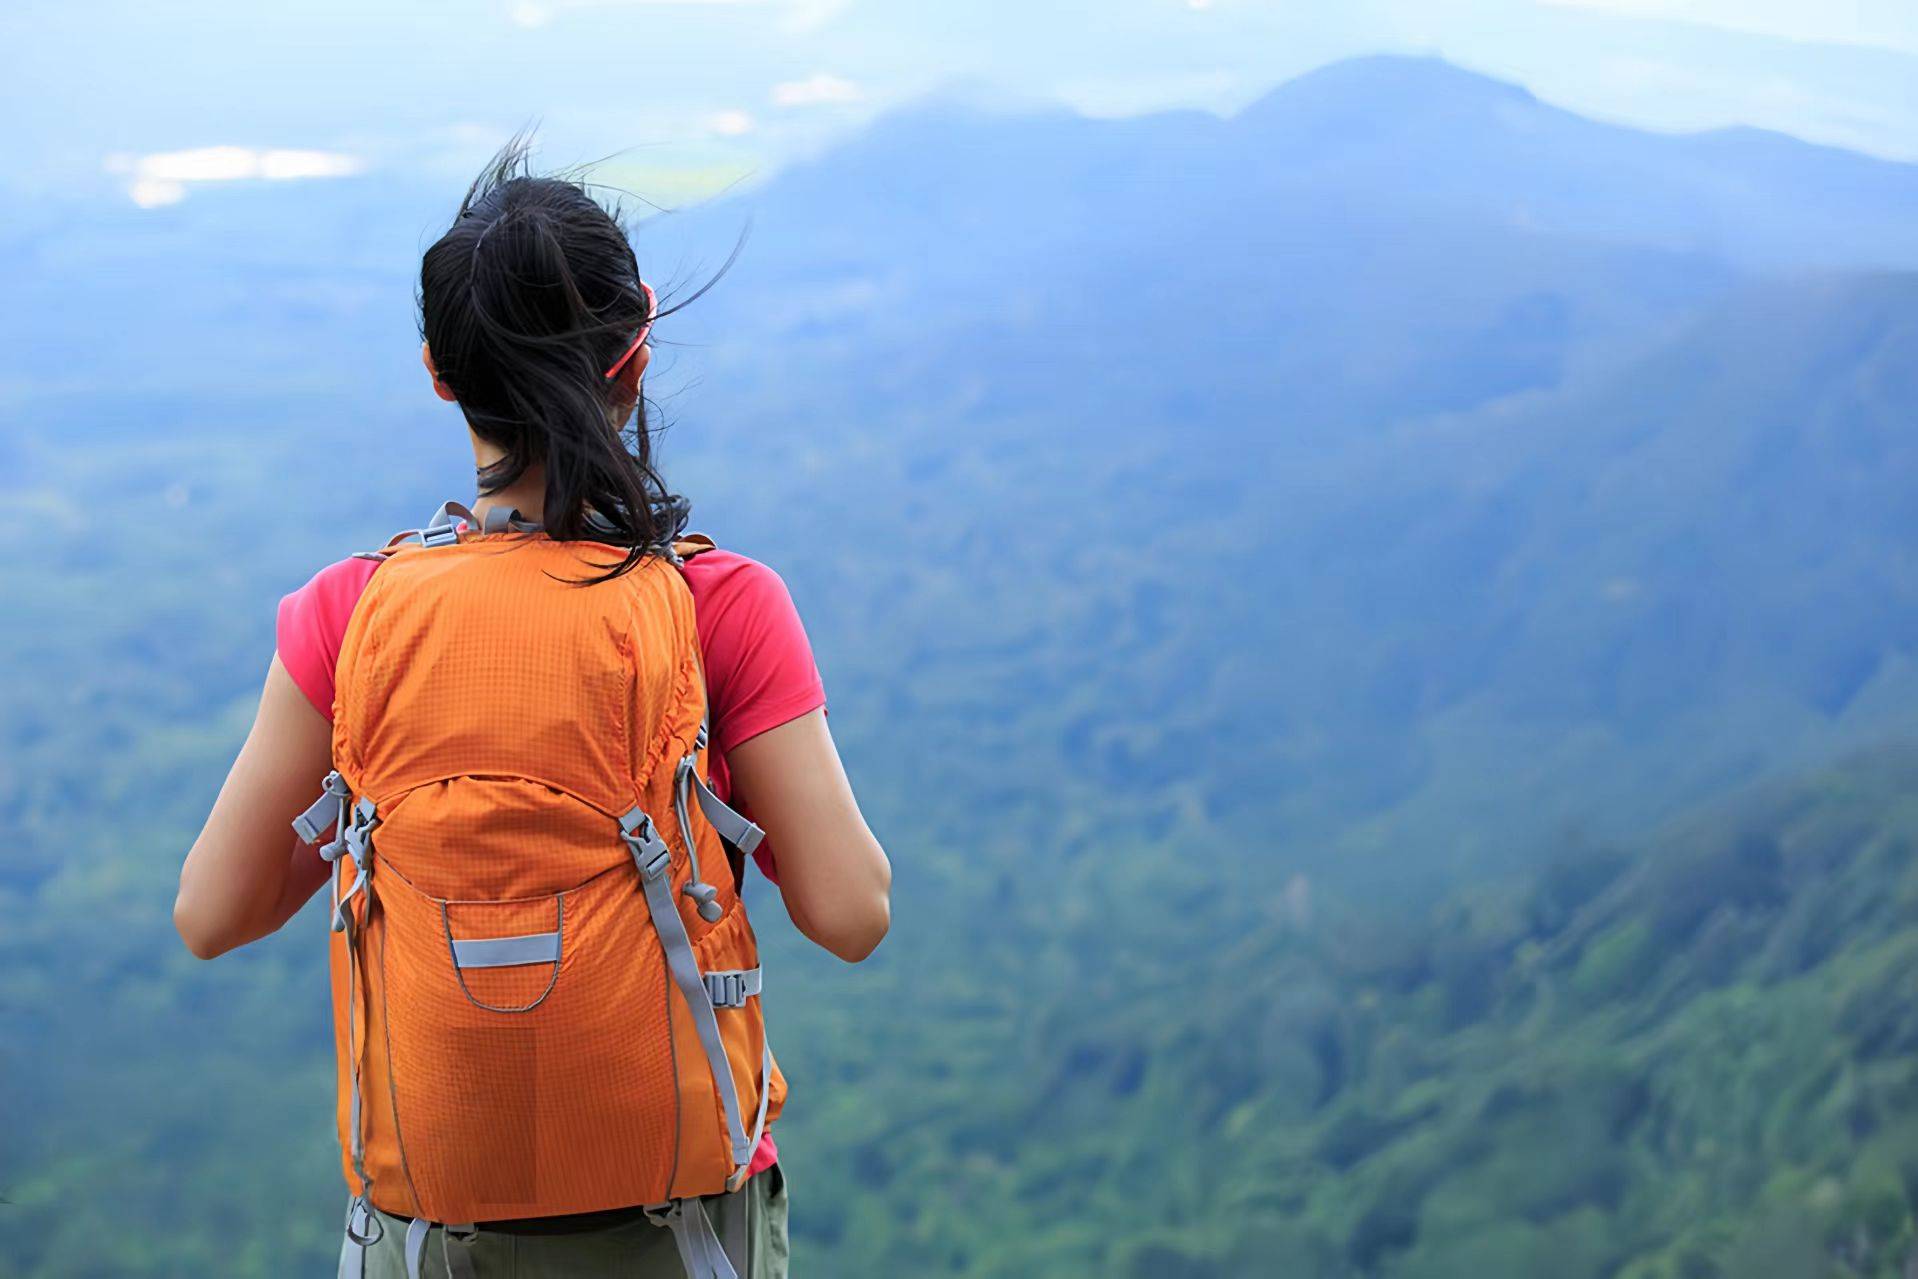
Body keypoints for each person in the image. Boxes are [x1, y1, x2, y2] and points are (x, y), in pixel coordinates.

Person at [172, 139, 892, 1278]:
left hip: (426, 1239)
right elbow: (852, 913)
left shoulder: (348, 616)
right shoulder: (718, 607)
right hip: (682, 1230)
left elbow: (210, 913)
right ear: (636, 355)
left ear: (438, 374)